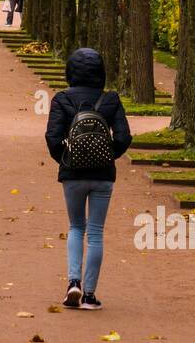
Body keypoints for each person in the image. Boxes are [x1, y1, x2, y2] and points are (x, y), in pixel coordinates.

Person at [44, 48, 132, 310]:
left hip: (73, 175)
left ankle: (73, 282)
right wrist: (107, 156)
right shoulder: (111, 99)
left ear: (70, 71)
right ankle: (90, 295)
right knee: (95, 232)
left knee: (75, 227)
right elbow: (123, 137)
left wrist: (67, 159)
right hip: (103, 174)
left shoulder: (61, 99)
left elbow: (52, 138)